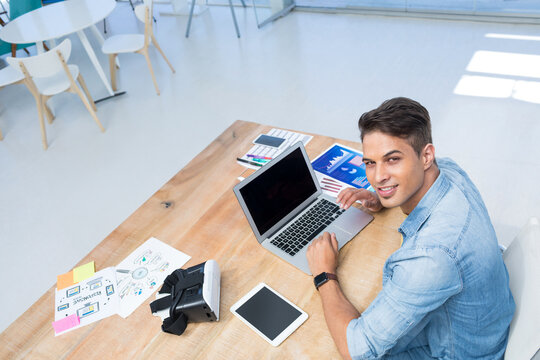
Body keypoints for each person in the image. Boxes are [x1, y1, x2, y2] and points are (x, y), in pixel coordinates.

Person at [306, 97, 515, 359]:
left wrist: (324, 274)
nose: (378, 176)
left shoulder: (432, 256)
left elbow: (356, 350)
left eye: (392, 159)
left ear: (426, 155)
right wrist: (381, 197)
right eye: (370, 162)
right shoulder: (449, 171)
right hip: (484, 322)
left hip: (458, 351)